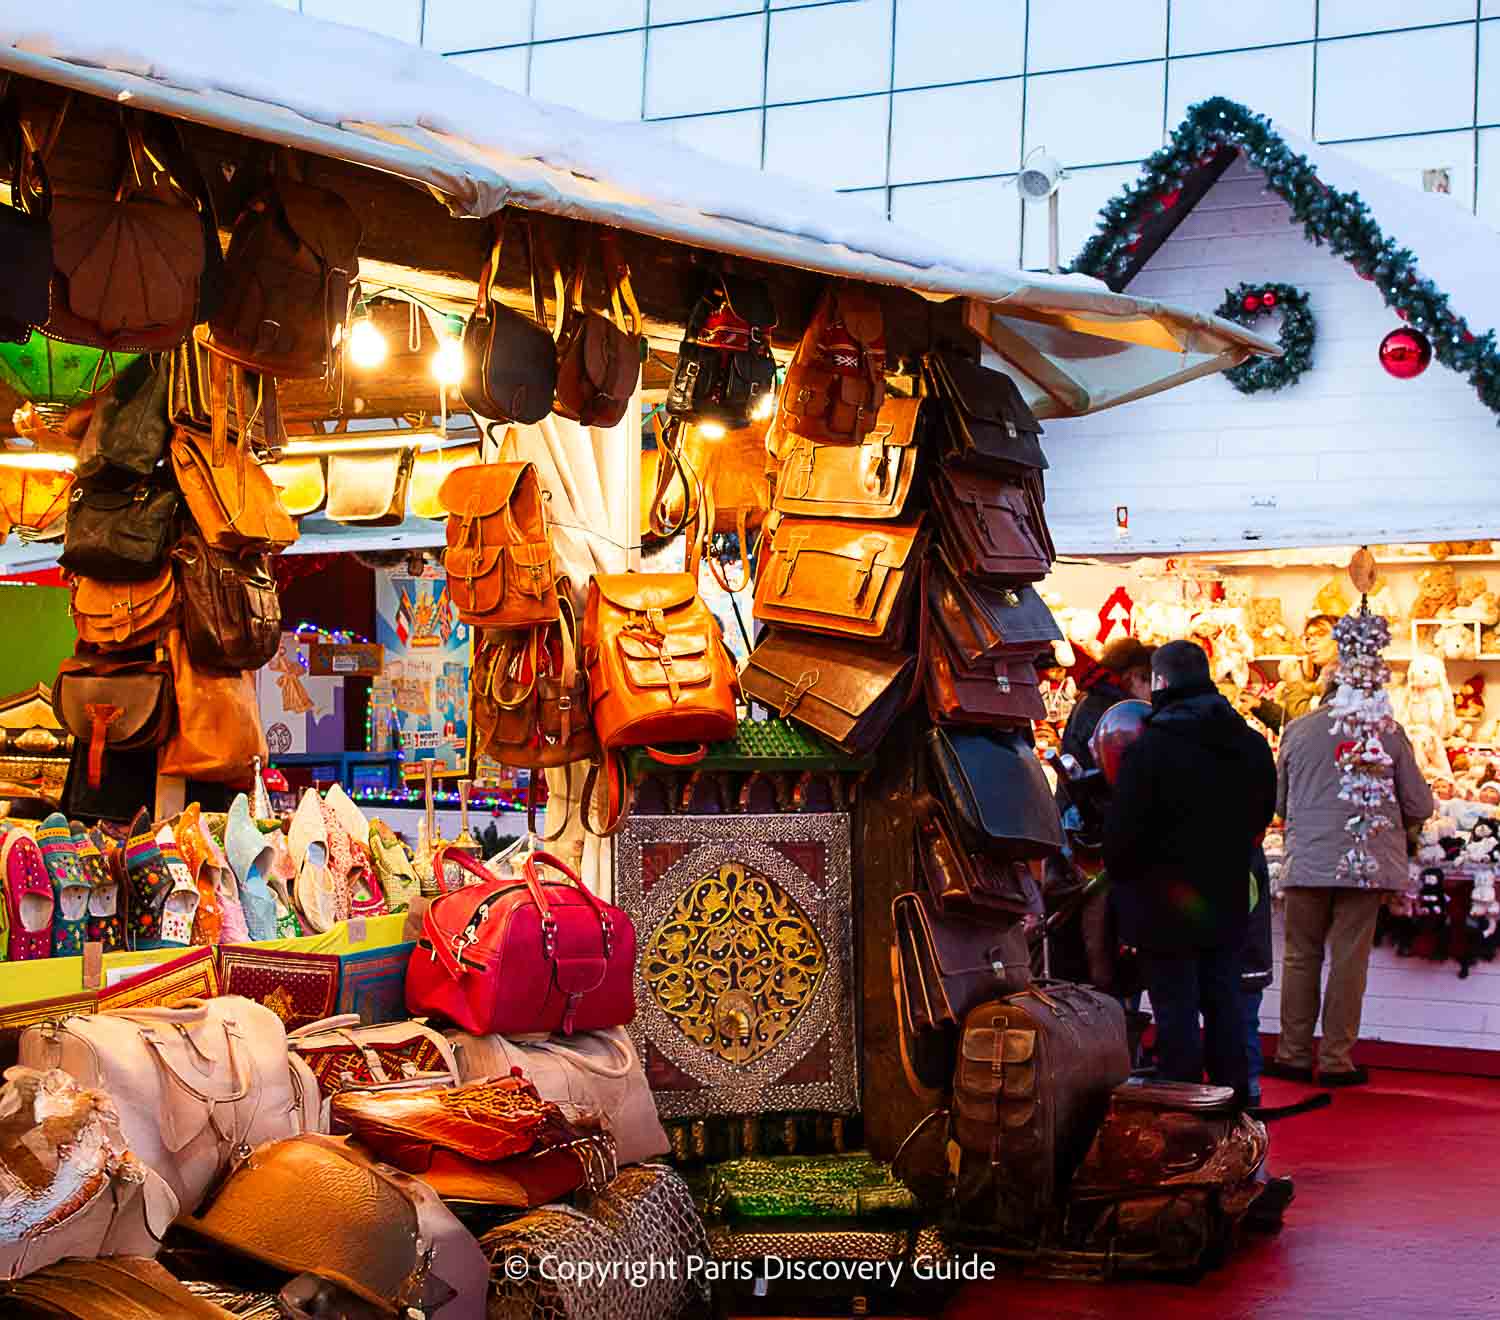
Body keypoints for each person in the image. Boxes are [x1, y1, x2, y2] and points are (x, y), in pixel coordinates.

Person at [1101, 640, 1278, 1104]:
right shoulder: (1250, 744)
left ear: (1160, 683)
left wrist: (1126, 886)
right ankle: (1235, 1104)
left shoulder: (1150, 749)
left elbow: (1122, 837)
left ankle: (1182, 1112)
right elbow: (1263, 813)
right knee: (1226, 1003)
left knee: (1175, 1007)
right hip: (1226, 896)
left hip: (1163, 902)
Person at [1267, 672, 1434, 1087]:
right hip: (1364, 863)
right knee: (1348, 960)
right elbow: (1419, 804)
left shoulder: (1298, 729)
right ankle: (1337, 1061)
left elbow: (1280, 802)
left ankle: (1292, 1055)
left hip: (1307, 861)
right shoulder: (1388, 734)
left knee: (1300, 956)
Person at [1054, 638, 1155, 991]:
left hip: (1083, 828)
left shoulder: (1092, 702)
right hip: (1097, 835)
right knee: (1102, 931)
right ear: (1133, 677)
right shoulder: (1119, 714)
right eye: (1150, 682)